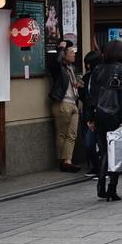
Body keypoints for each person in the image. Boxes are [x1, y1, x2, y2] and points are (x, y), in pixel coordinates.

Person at [86, 40, 122, 202]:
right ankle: (112, 188)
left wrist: (90, 117)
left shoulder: (97, 69)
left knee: (104, 151)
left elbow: (91, 94)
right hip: (116, 115)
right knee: (116, 152)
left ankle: (101, 185)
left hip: (99, 114)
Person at [48, 40, 82, 173]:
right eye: (71, 52)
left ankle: (67, 160)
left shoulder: (71, 68)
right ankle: (64, 161)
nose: (74, 54)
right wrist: (60, 49)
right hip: (63, 102)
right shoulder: (59, 69)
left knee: (72, 134)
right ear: (64, 55)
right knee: (62, 134)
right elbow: (54, 64)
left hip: (73, 102)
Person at [79, 50, 102, 178]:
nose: (87, 66)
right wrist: (80, 88)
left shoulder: (103, 76)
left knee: (101, 142)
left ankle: (103, 169)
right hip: (88, 113)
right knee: (89, 143)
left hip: (100, 113)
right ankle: (96, 166)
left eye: (89, 63)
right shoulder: (87, 77)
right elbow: (84, 97)